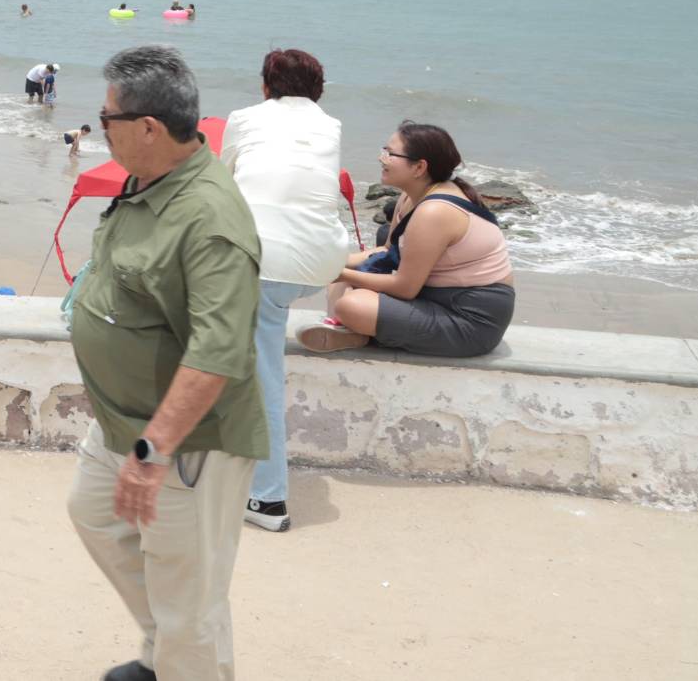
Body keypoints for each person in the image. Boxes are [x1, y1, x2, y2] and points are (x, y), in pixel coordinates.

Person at [67, 45, 265, 681]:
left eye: (107, 119)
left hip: (185, 443)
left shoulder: (209, 220)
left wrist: (153, 452)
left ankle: (182, 659)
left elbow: (218, 352)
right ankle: (166, 652)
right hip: (124, 423)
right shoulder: (146, 178)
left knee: (191, 599)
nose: (100, 127)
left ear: (148, 128)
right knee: (95, 513)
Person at [220, 49, 351, 533]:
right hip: (320, 261)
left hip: (265, 262)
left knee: (263, 375)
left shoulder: (244, 118)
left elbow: (225, 180)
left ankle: (267, 498)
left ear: (264, 86)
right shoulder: (330, 125)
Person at [301, 122, 514, 359]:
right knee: (341, 282)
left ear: (419, 167)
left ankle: (352, 328)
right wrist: (335, 262)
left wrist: (340, 272)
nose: (381, 158)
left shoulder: (435, 211)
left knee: (351, 303)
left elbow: (405, 288)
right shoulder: (411, 195)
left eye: (390, 154)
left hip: (468, 320)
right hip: (433, 296)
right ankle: (347, 328)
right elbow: (387, 249)